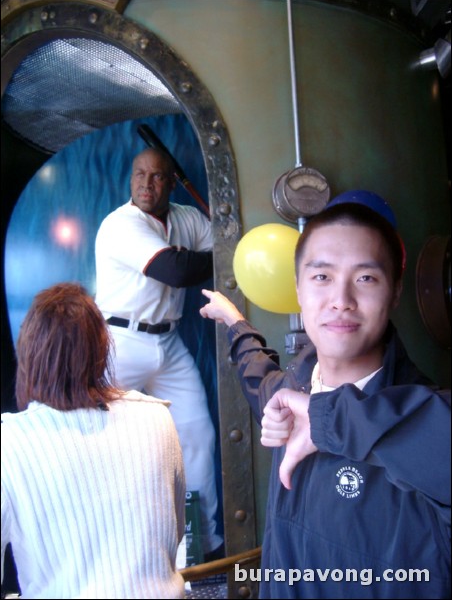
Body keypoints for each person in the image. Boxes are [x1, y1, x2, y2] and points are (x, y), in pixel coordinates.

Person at [200, 191, 451, 599]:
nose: (341, 300)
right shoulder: (289, 394)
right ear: (298, 289)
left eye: (366, 278)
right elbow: (257, 374)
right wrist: (234, 320)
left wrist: (330, 421)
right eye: (322, 277)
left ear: (395, 292)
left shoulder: (427, 426)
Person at [1, 283, 186, 599]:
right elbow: (176, 530)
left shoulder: (11, 442)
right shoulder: (157, 418)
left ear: (29, 354)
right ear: (102, 349)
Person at [94, 147, 222, 559]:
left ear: (170, 181)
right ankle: (110, 545)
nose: (146, 185)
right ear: (130, 179)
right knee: (102, 442)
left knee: (198, 434)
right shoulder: (120, 223)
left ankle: (207, 544)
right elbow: (177, 271)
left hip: (168, 342)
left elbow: (224, 243)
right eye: (139, 175)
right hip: (118, 343)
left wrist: (222, 247)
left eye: (156, 177)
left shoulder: (185, 217)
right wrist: (218, 254)